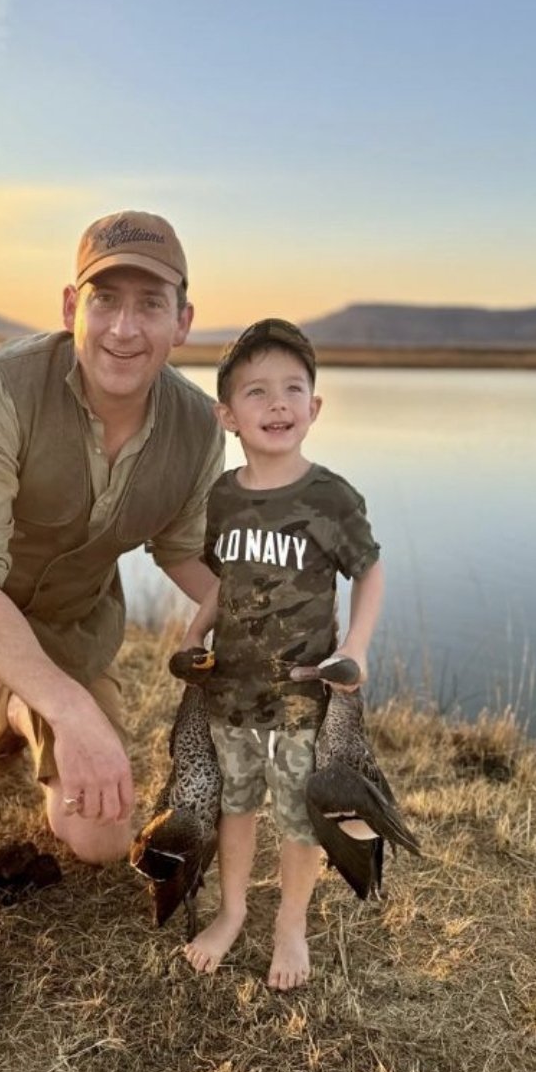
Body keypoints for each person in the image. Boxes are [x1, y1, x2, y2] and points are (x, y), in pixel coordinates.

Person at [0, 211, 224, 1042]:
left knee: (100, 838)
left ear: (184, 319)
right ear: (72, 302)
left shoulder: (197, 427)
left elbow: (187, 554)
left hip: (71, 615)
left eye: (151, 303)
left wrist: (262, 611)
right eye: (105, 298)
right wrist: (71, 712)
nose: (123, 325)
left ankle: (14, 708)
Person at [175, 318, 385, 989]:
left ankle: (290, 920)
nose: (278, 404)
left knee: (300, 814)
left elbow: (370, 571)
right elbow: (222, 583)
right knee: (235, 804)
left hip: (303, 695)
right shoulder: (225, 496)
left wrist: (355, 645)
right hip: (231, 691)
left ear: (315, 408)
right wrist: (192, 632)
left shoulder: (330, 497)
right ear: (227, 414)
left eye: (294, 389)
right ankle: (233, 910)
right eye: (257, 392)